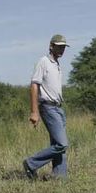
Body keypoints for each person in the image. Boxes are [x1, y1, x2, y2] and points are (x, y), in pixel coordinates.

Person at [23, 34, 69, 179]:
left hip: (58, 107)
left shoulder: (56, 64)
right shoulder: (44, 61)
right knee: (62, 144)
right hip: (48, 107)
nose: (61, 49)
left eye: (63, 47)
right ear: (51, 46)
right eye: (58, 46)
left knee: (57, 143)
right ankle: (31, 163)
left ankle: (60, 176)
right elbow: (34, 85)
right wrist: (34, 112)